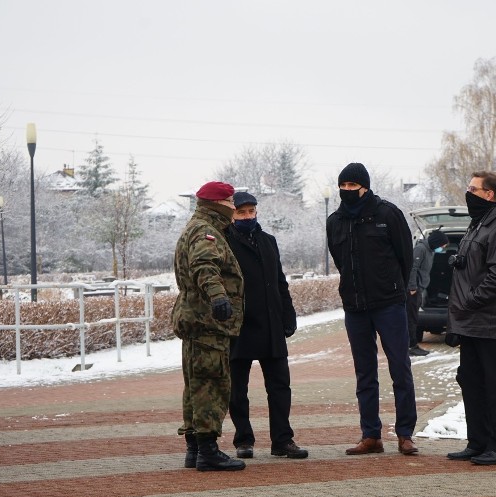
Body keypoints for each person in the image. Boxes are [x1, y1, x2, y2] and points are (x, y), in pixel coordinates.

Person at [326, 162, 419, 456]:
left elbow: (406, 257)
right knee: (364, 373)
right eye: (343, 187)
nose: (347, 191)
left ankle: (405, 434)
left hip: (389, 304)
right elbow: (340, 258)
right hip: (355, 307)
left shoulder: (388, 214)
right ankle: (371, 435)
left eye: (353, 186)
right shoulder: (335, 220)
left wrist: (396, 291)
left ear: (365, 186)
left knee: (400, 368)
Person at [225, 191, 308, 460]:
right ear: (232, 214)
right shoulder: (224, 242)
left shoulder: (268, 241)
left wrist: (288, 314)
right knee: (238, 388)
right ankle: (243, 440)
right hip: (240, 326)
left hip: (271, 325)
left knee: (280, 386)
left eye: (251, 211)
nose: (248, 216)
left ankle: (282, 440)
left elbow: (279, 281)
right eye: (242, 212)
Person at [445, 171, 496, 466]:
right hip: (471, 322)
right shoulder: (477, 226)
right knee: (472, 382)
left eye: (473, 189)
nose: (468, 193)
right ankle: (477, 442)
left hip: (489, 321)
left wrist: (471, 301)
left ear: (490, 194)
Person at [172, 181, 246, 472]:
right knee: (211, 384)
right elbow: (205, 266)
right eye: (230, 204)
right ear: (217, 205)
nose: (234, 209)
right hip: (207, 321)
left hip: (194, 319)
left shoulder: (195, 226)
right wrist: (218, 297)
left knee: (195, 382)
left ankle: (194, 449)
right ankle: (208, 451)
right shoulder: (207, 231)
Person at [407, 229, 448, 357]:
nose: (443, 248)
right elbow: (412, 267)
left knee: (413, 318)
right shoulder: (420, 249)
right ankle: (411, 346)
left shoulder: (430, 250)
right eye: (442, 246)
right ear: (436, 242)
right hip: (414, 290)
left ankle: (411, 345)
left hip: (420, 288)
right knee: (411, 319)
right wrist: (412, 287)